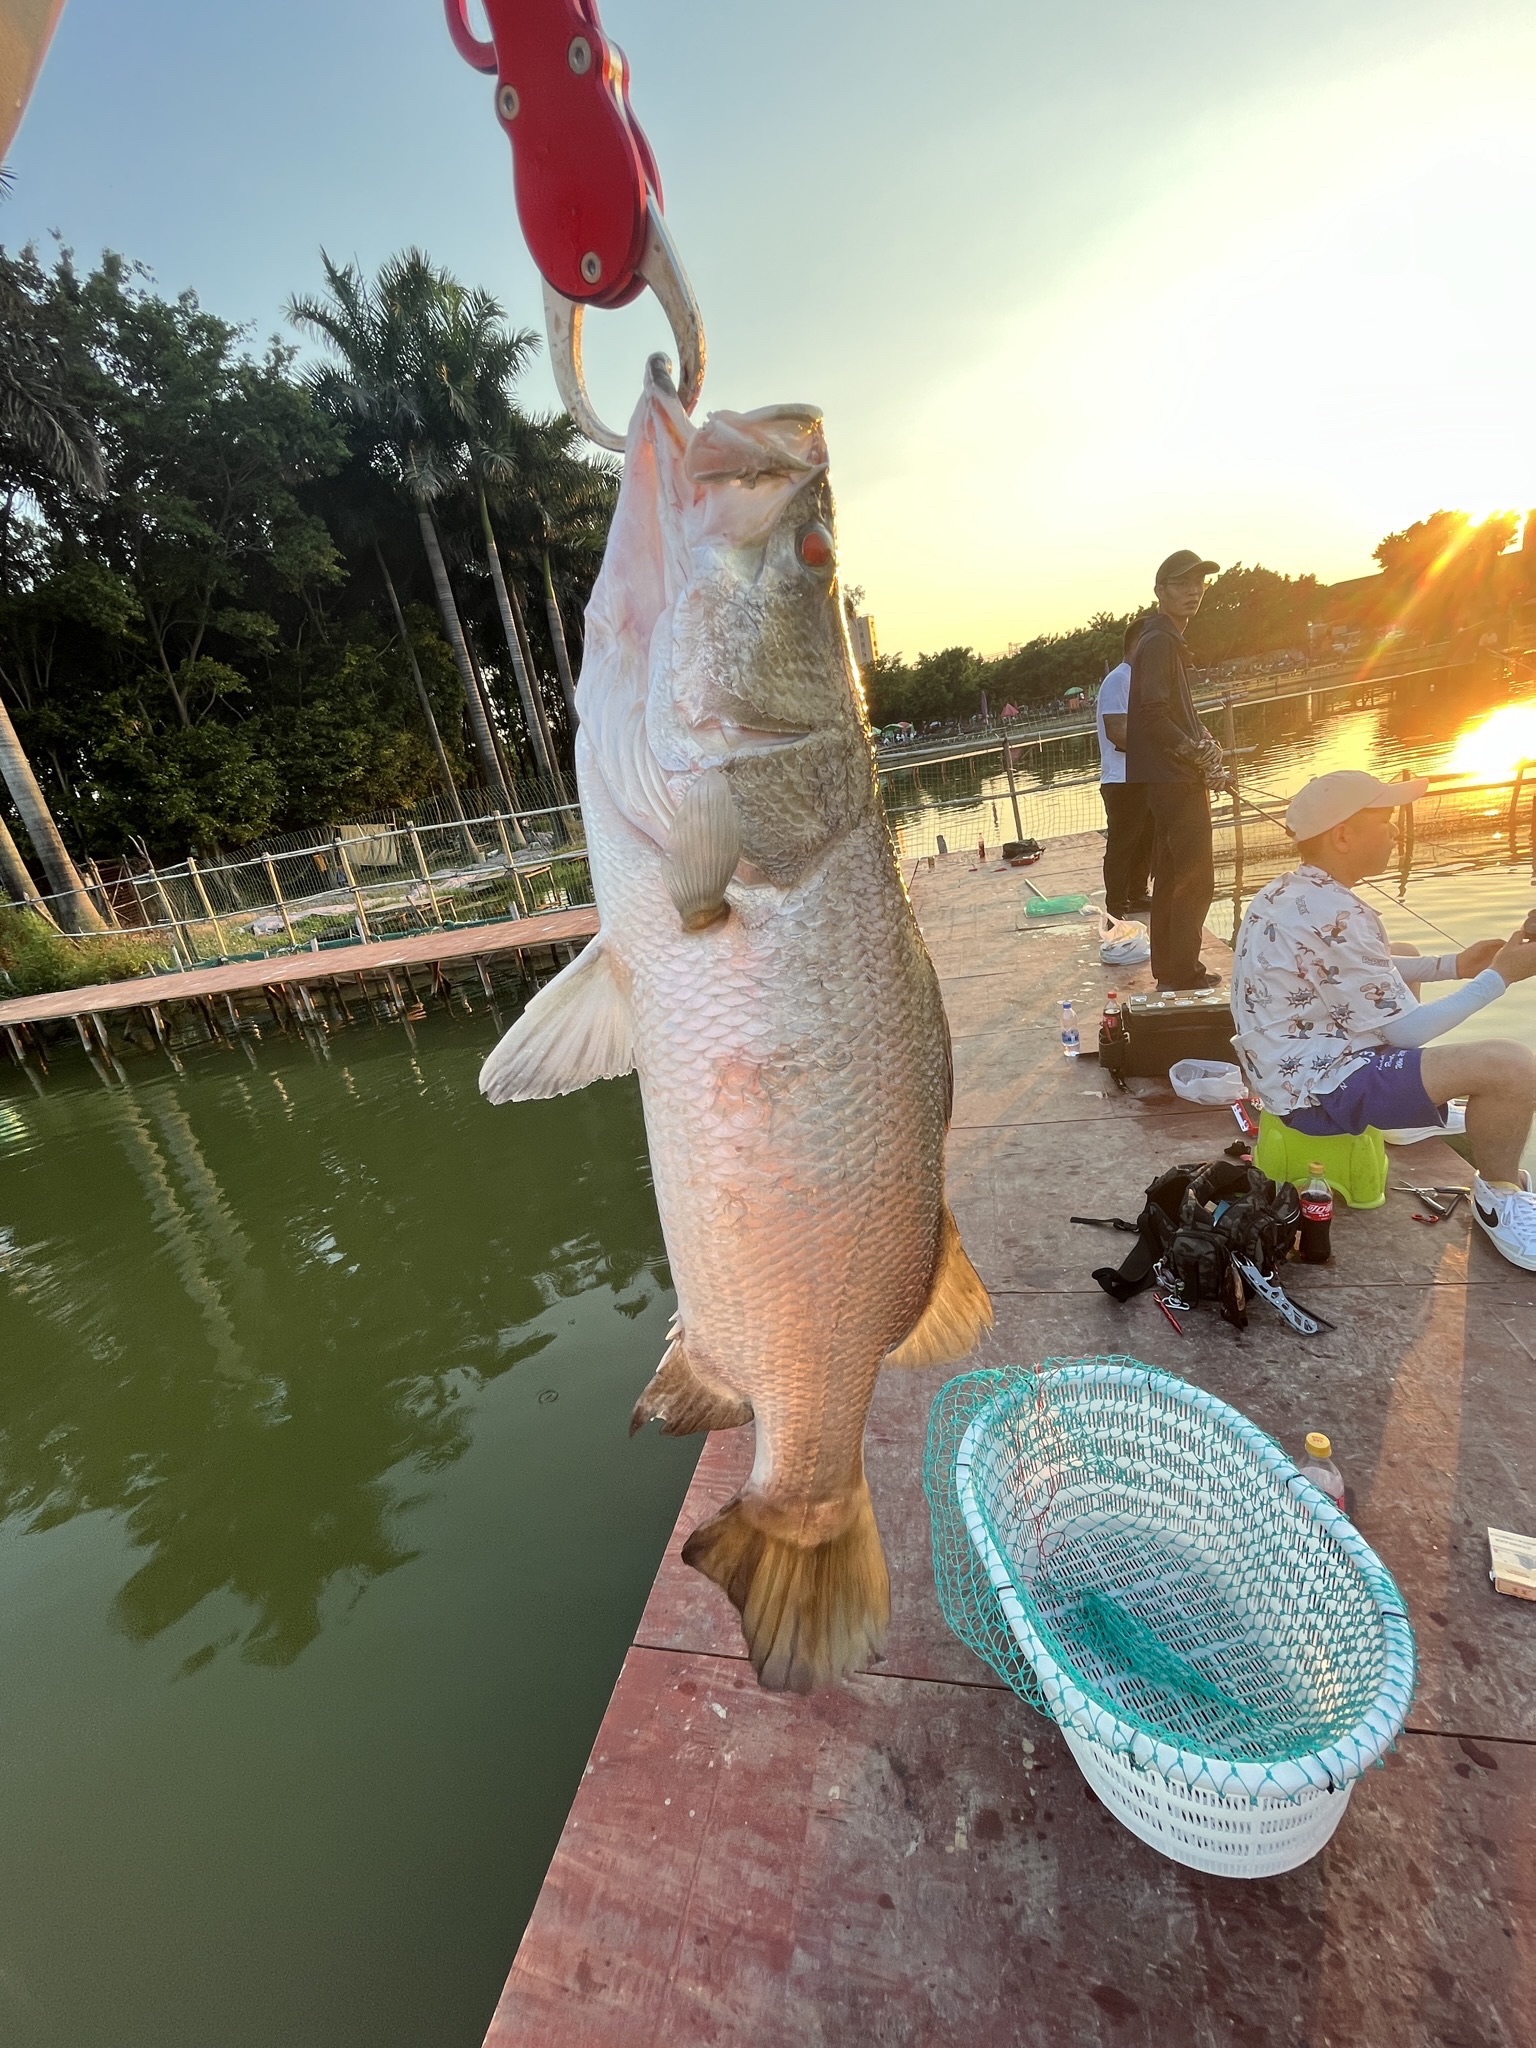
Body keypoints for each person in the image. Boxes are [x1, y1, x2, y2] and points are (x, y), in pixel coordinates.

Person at [1231, 770, 1536, 1272]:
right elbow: (1407, 1032)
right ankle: (1498, 1199)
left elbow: (1364, 967)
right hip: (1316, 1091)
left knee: (1404, 952)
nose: (1395, 833)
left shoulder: (1288, 892)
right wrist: (1500, 977)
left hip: (1280, 1066)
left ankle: (1402, 1120)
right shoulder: (1342, 913)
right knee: (1511, 1066)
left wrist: (1454, 967)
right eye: (1386, 821)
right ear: (1343, 836)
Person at [1126, 550, 1231, 990]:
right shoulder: (1161, 641)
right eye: (1182, 583)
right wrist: (1194, 753)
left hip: (1169, 777)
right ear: (1159, 592)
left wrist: (1201, 740)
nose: (1193, 591)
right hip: (1174, 778)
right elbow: (1152, 713)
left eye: (1199, 583)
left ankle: (1169, 969)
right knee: (1195, 878)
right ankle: (1184, 972)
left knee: (1170, 876)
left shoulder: (1160, 640)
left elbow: (1171, 710)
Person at [1095, 616, 1155, 918]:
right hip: (1121, 778)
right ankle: (1116, 907)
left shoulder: (1140, 679)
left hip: (1143, 774)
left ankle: (1137, 893)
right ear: (1137, 643)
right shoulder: (1119, 679)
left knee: (1146, 839)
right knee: (1123, 844)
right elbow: (1116, 730)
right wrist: (1161, 747)